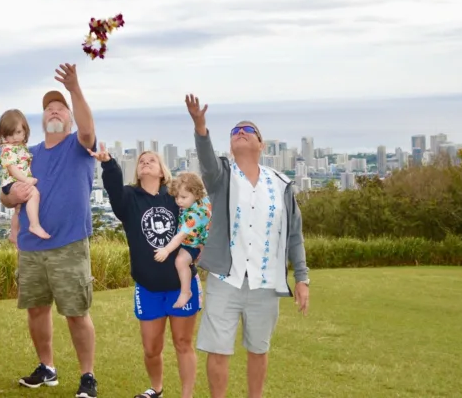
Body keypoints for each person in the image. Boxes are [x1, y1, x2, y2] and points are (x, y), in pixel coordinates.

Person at [184, 94, 310, 398]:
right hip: (226, 279)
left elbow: (294, 234)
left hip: (265, 282)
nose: (240, 132)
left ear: (261, 145)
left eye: (248, 130)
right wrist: (201, 126)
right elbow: (206, 161)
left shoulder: (281, 184)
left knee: (258, 349)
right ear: (230, 146)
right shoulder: (221, 177)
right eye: (235, 132)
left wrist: (302, 278)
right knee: (218, 349)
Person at [0, 63, 100, 398]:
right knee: (37, 310)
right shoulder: (28, 155)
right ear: (40, 121)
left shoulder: (79, 145)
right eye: (48, 109)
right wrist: (10, 195)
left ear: (70, 118)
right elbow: (6, 193)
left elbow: (88, 127)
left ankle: (88, 376)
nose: (54, 111)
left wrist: (74, 87)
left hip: (69, 244)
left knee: (76, 313)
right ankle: (47, 368)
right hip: (31, 247)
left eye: (61, 108)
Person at [90, 144, 200, 398]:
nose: (146, 163)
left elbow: (197, 225)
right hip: (148, 286)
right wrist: (108, 162)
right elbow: (114, 187)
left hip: (180, 284)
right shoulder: (129, 199)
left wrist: (195, 252)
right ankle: (157, 389)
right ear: (137, 172)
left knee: (183, 344)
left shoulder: (176, 197)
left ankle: (187, 395)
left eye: (152, 160)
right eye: (142, 161)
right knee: (151, 348)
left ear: (163, 171)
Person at [155, 172, 211, 310]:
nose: (179, 201)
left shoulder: (194, 215)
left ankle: (186, 292)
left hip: (193, 244)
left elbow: (180, 236)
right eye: (177, 197)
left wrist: (166, 250)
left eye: (183, 197)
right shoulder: (203, 201)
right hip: (200, 241)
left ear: (197, 194)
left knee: (180, 261)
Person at [0, 108, 48, 239]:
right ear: (3, 135)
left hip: (16, 182)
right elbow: (12, 169)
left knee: (18, 209)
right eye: (10, 134)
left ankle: (14, 234)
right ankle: (34, 225)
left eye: (18, 132)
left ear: (25, 130)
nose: (15, 137)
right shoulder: (8, 149)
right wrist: (26, 180)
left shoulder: (21, 148)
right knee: (33, 193)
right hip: (12, 182)